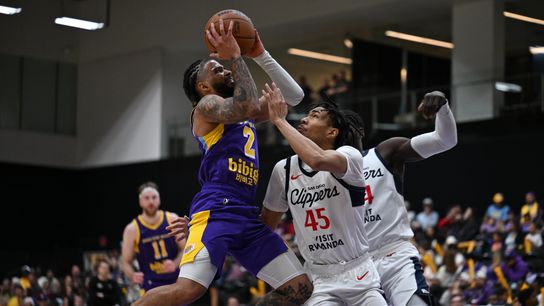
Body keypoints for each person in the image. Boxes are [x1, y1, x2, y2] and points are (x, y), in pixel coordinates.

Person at [133, 19, 312, 306]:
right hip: (217, 212)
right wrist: (237, 56)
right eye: (217, 69)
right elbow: (246, 105)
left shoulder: (244, 111)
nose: (225, 68)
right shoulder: (206, 107)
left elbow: (294, 96)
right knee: (188, 290)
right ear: (203, 86)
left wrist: (259, 54)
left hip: (246, 216)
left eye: (224, 65)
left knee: (300, 288)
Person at [261, 84, 387, 305]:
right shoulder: (284, 169)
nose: (303, 120)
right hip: (319, 280)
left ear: (332, 132)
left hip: (360, 276)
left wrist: (280, 121)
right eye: (306, 115)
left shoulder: (350, 157)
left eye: (315, 116)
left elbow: (318, 160)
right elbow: (265, 226)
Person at [361, 91, 457, 305]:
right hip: (353, 267)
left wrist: (442, 106)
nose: (304, 121)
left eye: (316, 115)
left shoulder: (383, 153)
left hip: (393, 255)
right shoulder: (313, 171)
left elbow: (445, 140)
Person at [121, 182, 186, 293]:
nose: (151, 201)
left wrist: (175, 264)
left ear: (159, 199)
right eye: (146, 198)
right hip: (150, 284)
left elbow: (185, 249)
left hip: (176, 280)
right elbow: (125, 262)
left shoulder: (172, 218)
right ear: (140, 201)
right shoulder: (132, 229)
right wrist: (132, 275)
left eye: (154, 197)